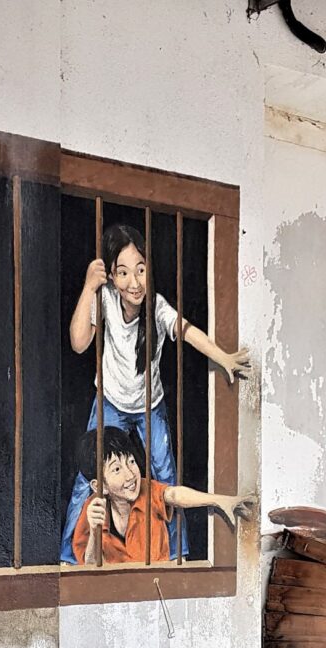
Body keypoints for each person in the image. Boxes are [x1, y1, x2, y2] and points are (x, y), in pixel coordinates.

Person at [61, 223, 250, 563]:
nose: (134, 282)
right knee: (87, 478)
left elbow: (188, 332)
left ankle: (176, 554)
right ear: (111, 277)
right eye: (122, 272)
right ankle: (70, 559)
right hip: (109, 402)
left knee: (165, 478)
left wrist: (223, 358)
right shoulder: (103, 299)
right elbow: (78, 343)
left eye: (141, 270)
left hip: (150, 406)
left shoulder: (158, 307)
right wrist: (90, 286)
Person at [72, 427, 253, 566]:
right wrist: (95, 531)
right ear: (99, 485)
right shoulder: (93, 508)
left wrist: (220, 500)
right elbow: (89, 566)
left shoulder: (147, 489)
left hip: (156, 587)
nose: (130, 475)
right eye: (117, 469)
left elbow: (174, 494)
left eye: (131, 462)